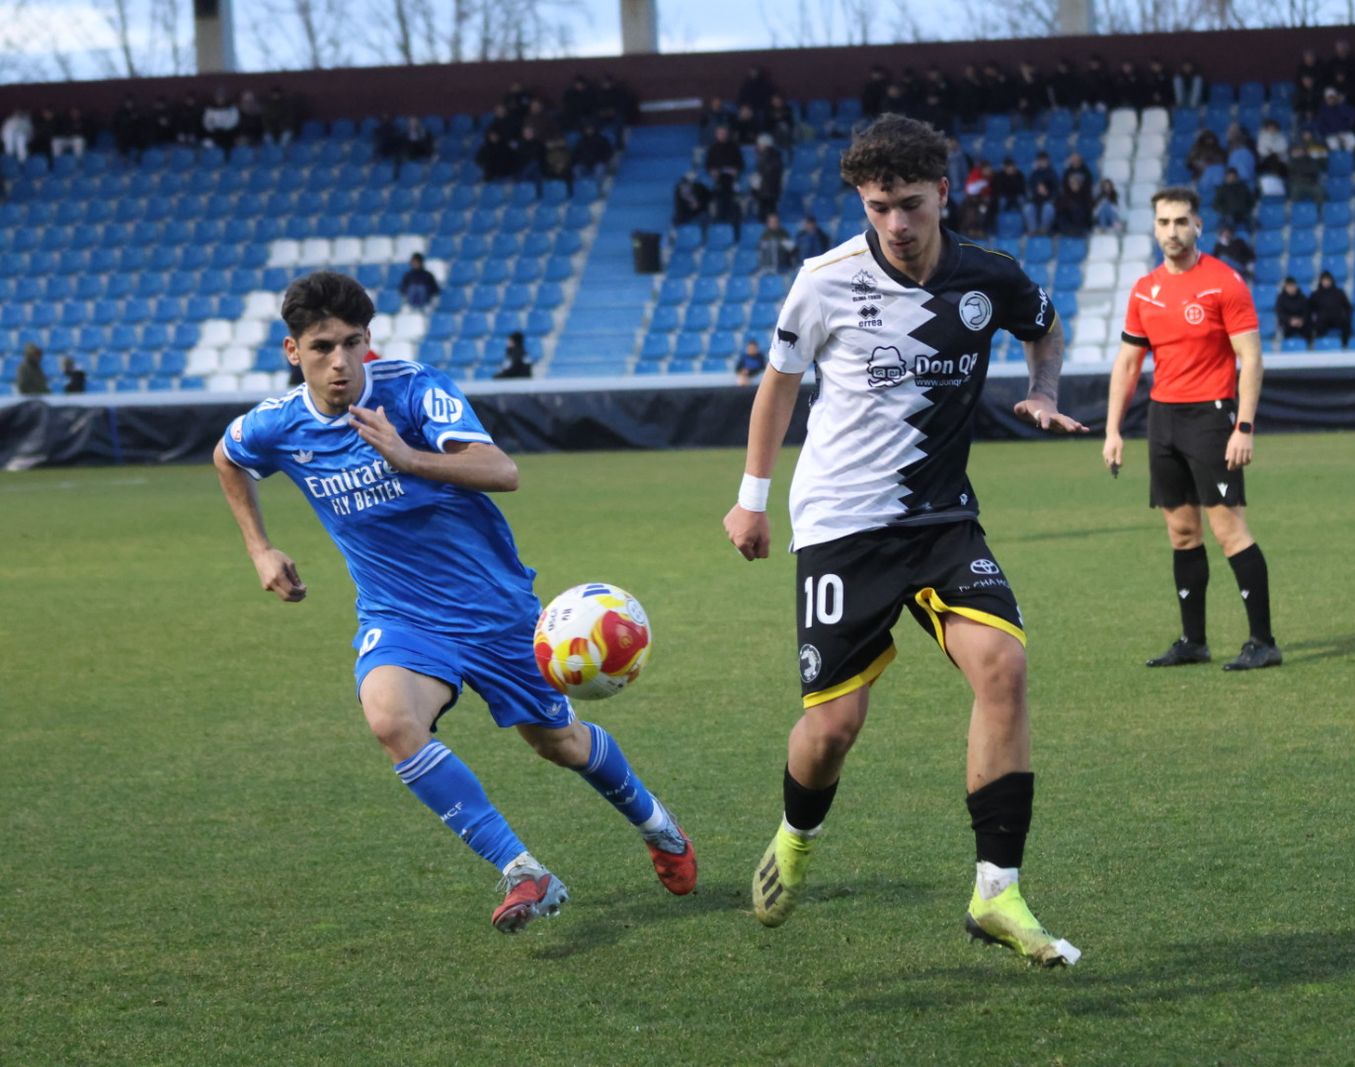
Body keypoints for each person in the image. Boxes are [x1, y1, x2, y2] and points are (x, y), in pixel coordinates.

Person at [213, 272, 697, 933]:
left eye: (353, 343)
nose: (341, 362)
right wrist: (260, 549)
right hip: (400, 616)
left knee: (559, 742)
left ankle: (659, 826)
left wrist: (407, 457)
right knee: (390, 720)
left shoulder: (414, 390)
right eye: (322, 346)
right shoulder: (279, 423)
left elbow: (502, 470)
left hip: (494, 611)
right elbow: (227, 455)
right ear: (293, 351)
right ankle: (523, 870)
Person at [721, 114, 1086, 968]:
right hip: (844, 526)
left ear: (943, 195)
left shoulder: (986, 275)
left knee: (1005, 665)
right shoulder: (823, 282)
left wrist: (1040, 387)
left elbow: (1044, 325)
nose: (896, 223)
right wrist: (752, 501)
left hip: (944, 516)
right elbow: (776, 390)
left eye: (911, 204)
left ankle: (997, 892)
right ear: (862, 200)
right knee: (834, 725)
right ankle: (796, 835)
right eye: (879, 205)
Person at [1103, 186, 1280, 671]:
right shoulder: (1145, 289)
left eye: (1181, 222)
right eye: (1164, 222)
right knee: (1181, 532)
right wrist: (1113, 430)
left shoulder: (1225, 283)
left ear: (1198, 225)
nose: (1172, 232)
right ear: (1155, 226)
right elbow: (1127, 364)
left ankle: (1263, 641)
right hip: (1163, 420)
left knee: (1228, 530)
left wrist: (1243, 426)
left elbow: (1250, 358)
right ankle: (1194, 640)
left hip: (1211, 417)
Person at [1308, 270, 1352, 347]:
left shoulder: (1339, 292)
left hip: (1336, 319)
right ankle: (1319, 346)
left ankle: (1345, 345)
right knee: (1314, 327)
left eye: (1328, 280)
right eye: (1324, 280)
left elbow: (1348, 307)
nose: (1326, 282)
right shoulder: (1315, 294)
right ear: (1321, 281)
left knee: (1346, 324)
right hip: (1323, 320)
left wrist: (1346, 317)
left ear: (1331, 280)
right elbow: (1309, 308)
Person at [1275, 277, 1313, 343]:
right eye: (1289, 286)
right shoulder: (1281, 298)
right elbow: (1280, 313)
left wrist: (1302, 320)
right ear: (1285, 287)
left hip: (1301, 322)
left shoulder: (1302, 297)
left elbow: (1306, 311)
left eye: (1293, 286)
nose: (1291, 288)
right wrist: (1290, 321)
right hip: (1287, 323)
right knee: (1283, 329)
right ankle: (1286, 347)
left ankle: (1308, 347)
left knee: (1308, 329)